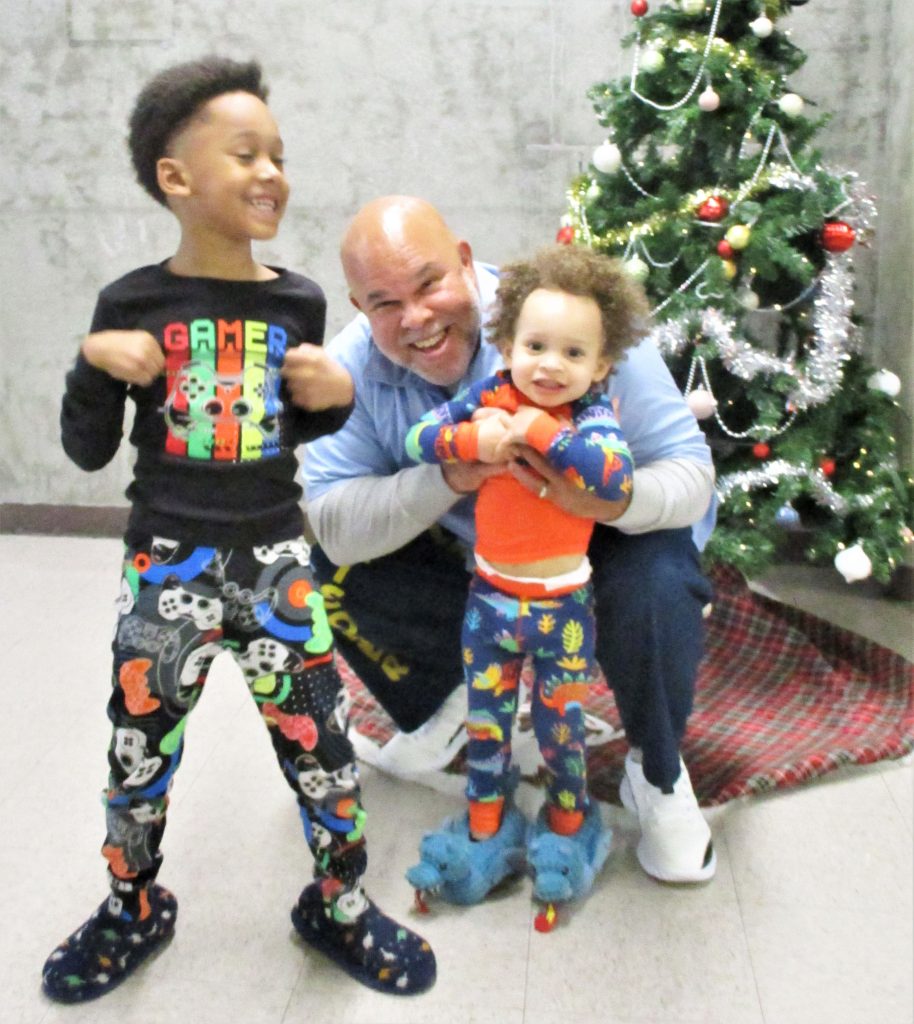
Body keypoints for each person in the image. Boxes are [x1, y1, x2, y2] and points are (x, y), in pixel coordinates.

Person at [42, 60, 434, 1004]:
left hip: (279, 564)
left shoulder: (297, 301)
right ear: (176, 180)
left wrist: (334, 404)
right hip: (165, 563)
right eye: (245, 154)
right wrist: (93, 369)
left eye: (280, 156)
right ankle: (132, 905)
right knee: (138, 750)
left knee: (325, 750)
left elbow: (285, 431)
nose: (271, 174)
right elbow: (89, 452)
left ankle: (337, 905)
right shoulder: (130, 304)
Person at [301, 195, 718, 886]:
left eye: (430, 283)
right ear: (358, 305)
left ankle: (656, 767)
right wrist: (453, 473)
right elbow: (336, 524)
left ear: (466, 263)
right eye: (384, 302)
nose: (416, 319)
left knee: (658, 579)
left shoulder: (571, 315)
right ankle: (449, 700)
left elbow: (691, 473)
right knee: (324, 566)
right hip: (482, 558)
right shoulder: (351, 369)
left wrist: (609, 496)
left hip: (600, 538)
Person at [403, 245, 641, 873]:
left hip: (561, 609)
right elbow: (418, 437)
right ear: (506, 347)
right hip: (488, 603)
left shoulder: (592, 415)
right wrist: (471, 438)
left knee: (561, 727)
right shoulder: (489, 393)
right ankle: (486, 823)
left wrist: (537, 429)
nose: (550, 366)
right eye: (536, 347)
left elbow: (612, 479)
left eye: (573, 353)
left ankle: (567, 824)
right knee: (488, 724)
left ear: (602, 364)